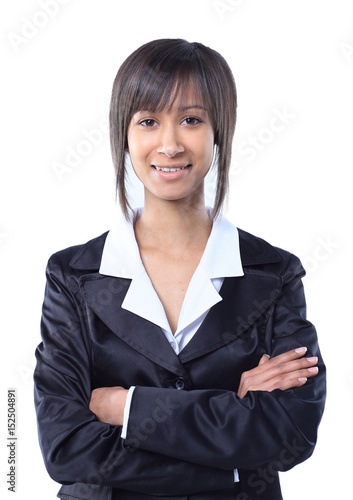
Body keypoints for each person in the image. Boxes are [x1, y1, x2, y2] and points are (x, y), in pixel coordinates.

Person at [34, 39, 326, 500]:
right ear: (123, 134)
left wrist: (125, 406)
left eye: (191, 120)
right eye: (148, 121)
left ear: (218, 132)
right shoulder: (72, 275)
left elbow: (291, 433)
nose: (168, 144)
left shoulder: (275, 274)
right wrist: (230, 438)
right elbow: (66, 447)